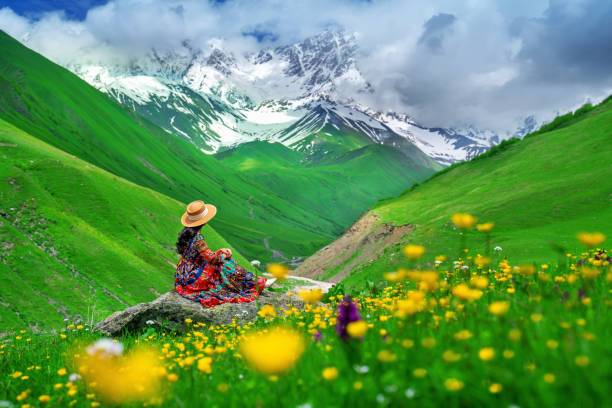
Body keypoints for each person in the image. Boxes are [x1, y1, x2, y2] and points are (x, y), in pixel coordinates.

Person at [174, 200, 266, 307]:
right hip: (192, 279)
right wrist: (225, 255)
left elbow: (202, 255)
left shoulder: (187, 234)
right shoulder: (197, 238)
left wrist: (221, 252)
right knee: (225, 263)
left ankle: (253, 282)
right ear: (204, 221)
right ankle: (256, 283)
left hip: (182, 276)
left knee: (221, 259)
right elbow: (212, 259)